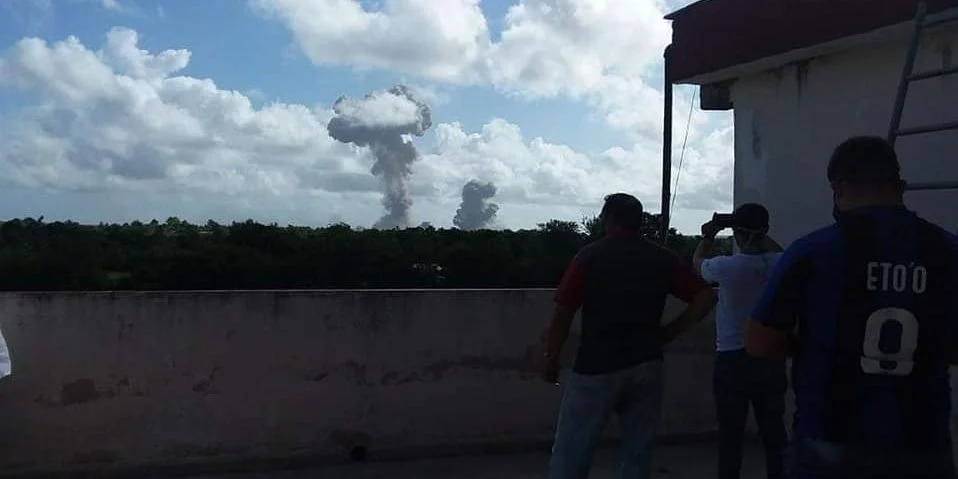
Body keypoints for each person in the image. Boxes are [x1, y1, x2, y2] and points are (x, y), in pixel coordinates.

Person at [746, 136, 958, 478]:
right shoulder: (947, 250)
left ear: (839, 187)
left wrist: (820, 346)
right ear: (900, 186)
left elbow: (759, 341)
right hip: (924, 440)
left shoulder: (813, 251)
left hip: (830, 434)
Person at [542, 192, 717, 479]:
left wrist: (551, 358)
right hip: (648, 363)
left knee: (572, 448)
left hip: (597, 367)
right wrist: (669, 333)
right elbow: (706, 297)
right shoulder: (662, 258)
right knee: (637, 451)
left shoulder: (590, 256)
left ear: (610, 219)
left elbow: (563, 312)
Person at [693, 204, 788, 479]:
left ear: (737, 233)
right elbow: (781, 252)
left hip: (732, 359)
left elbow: (697, 263)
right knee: (774, 433)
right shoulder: (779, 264)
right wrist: (757, 232)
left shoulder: (727, 267)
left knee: (730, 435)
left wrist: (709, 235)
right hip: (770, 355)